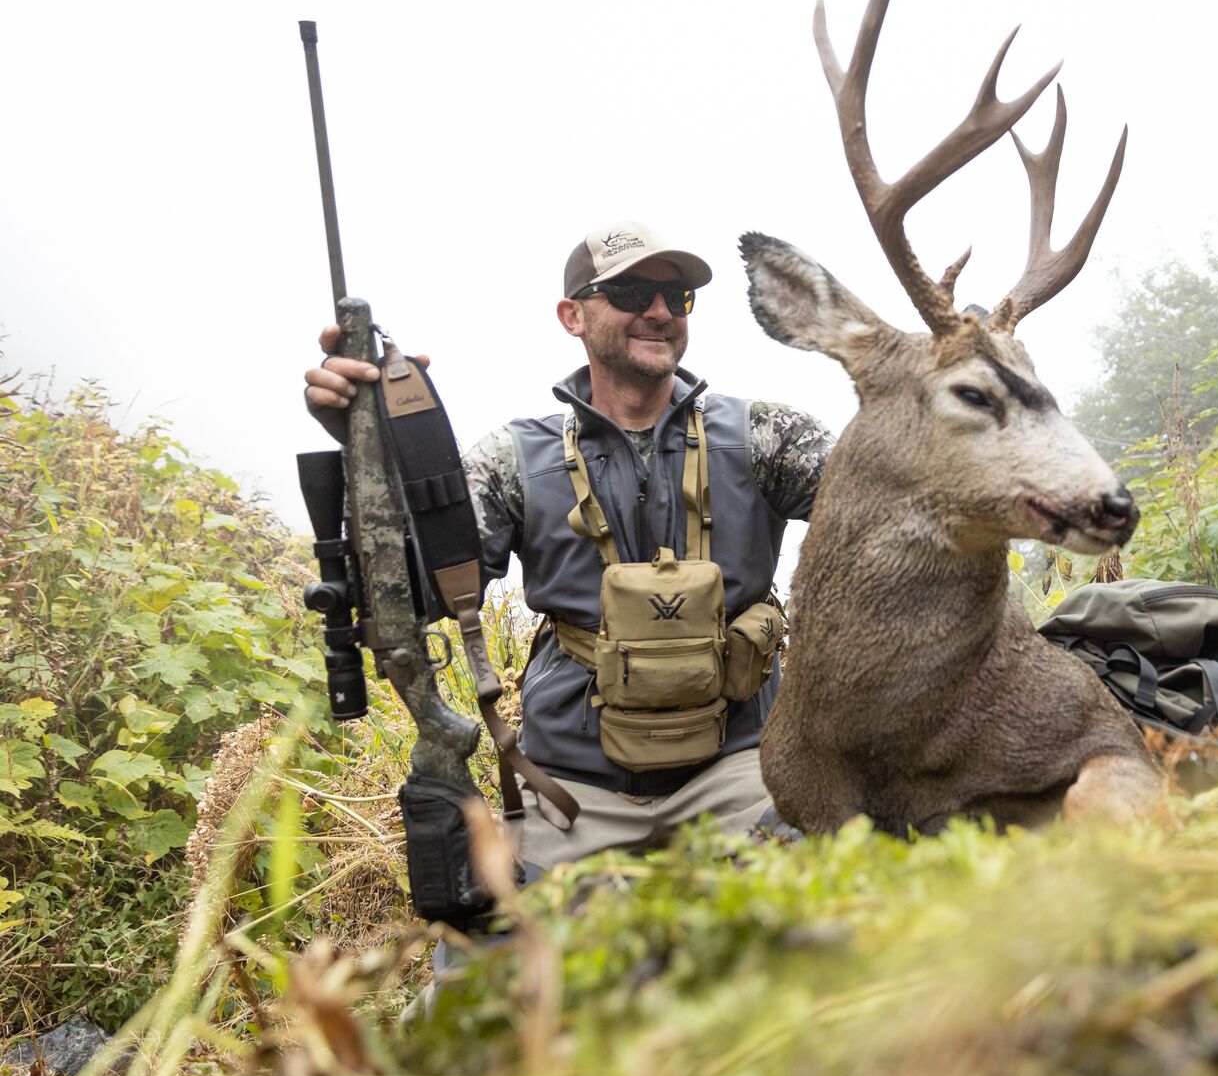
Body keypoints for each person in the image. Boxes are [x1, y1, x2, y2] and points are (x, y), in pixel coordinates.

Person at [304, 219, 834, 879]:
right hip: (570, 786)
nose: (662, 312)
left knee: (818, 942)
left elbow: (893, 498)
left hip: (741, 766)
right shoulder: (517, 459)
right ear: (572, 315)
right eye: (634, 292)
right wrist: (366, 441)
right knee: (498, 966)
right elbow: (410, 588)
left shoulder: (762, 435)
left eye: (679, 298)